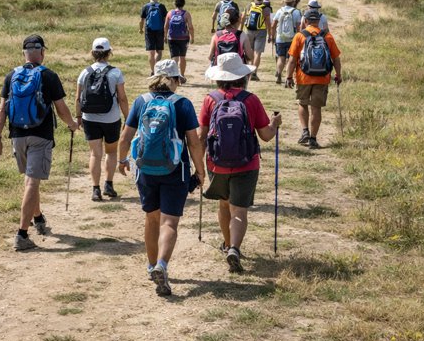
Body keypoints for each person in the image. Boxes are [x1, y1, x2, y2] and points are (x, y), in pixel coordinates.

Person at [117, 59, 205, 297]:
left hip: (145, 169)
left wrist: (122, 160)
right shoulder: (182, 104)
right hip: (176, 170)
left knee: (151, 218)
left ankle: (150, 265)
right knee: (169, 222)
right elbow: (193, 142)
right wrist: (201, 170)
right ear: (175, 80)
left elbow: (126, 137)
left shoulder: (141, 101)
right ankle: (162, 265)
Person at [0, 34, 79, 251]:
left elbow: (2, 109)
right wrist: (72, 124)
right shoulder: (48, 76)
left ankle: (38, 217)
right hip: (40, 136)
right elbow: (61, 108)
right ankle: (22, 234)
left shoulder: (11, 75)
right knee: (32, 182)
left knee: (31, 180)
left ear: (24, 53)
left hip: (17, 137)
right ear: (42, 52)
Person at [200, 53, 281, 273]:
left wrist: (198, 164)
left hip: (217, 163)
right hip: (247, 163)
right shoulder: (250, 100)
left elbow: (202, 134)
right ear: (242, 76)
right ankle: (235, 248)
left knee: (224, 204)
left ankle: (227, 245)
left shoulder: (211, 99)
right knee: (239, 210)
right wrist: (275, 124)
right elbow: (265, 135)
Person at [75, 37, 130, 202]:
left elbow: (78, 98)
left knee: (95, 154)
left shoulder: (85, 72)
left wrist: (78, 117)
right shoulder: (115, 72)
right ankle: (108, 184)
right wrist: (128, 118)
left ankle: (95, 189)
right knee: (111, 151)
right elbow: (122, 99)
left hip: (89, 118)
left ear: (92, 53)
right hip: (111, 118)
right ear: (109, 53)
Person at [285, 10, 342, 148]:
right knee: (316, 108)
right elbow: (336, 59)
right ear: (318, 21)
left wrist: (288, 76)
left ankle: (305, 131)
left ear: (305, 21)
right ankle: (313, 138)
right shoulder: (327, 36)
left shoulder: (300, 36)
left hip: (303, 77)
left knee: (302, 103)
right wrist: (338, 75)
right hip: (322, 78)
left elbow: (292, 60)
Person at [240, 0, 273, 81]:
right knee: (257, 53)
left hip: (249, 30)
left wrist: (241, 29)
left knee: (249, 50)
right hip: (261, 31)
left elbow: (243, 18)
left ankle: (248, 71)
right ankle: (254, 73)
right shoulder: (266, 8)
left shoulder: (249, 6)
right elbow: (268, 23)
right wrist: (270, 35)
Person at [271, 0, 302, 85]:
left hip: (280, 38)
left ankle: (279, 74)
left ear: (285, 2)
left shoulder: (279, 11)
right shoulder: (296, 12)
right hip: (292, 39)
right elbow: (298, 27)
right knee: (290, 59)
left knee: (281, 58)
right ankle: (287, 78)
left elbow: (273, 25)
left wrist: (272, 36)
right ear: (293, 2)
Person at [164, 0, 195, 78]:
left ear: (175, 3)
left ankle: (174, 76)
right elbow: (190, 27)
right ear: (183, 4)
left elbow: (165, 26)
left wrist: (165, 36)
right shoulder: (186, 14)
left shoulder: (170, 13)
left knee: (174, 58)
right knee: (182, 57)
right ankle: (182, 75)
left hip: (172, 38)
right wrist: (192, 37)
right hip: (183, 38)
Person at [139, 0, 168, 76]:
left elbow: (141, 21)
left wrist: (140, 29)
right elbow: (165, 20)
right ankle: (157, 69)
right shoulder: (161, 6)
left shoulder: (146, 7)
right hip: (160, 30)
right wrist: (165, 32)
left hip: (149, 30)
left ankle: (152, 71)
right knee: (158, 51)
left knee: (151, 52)